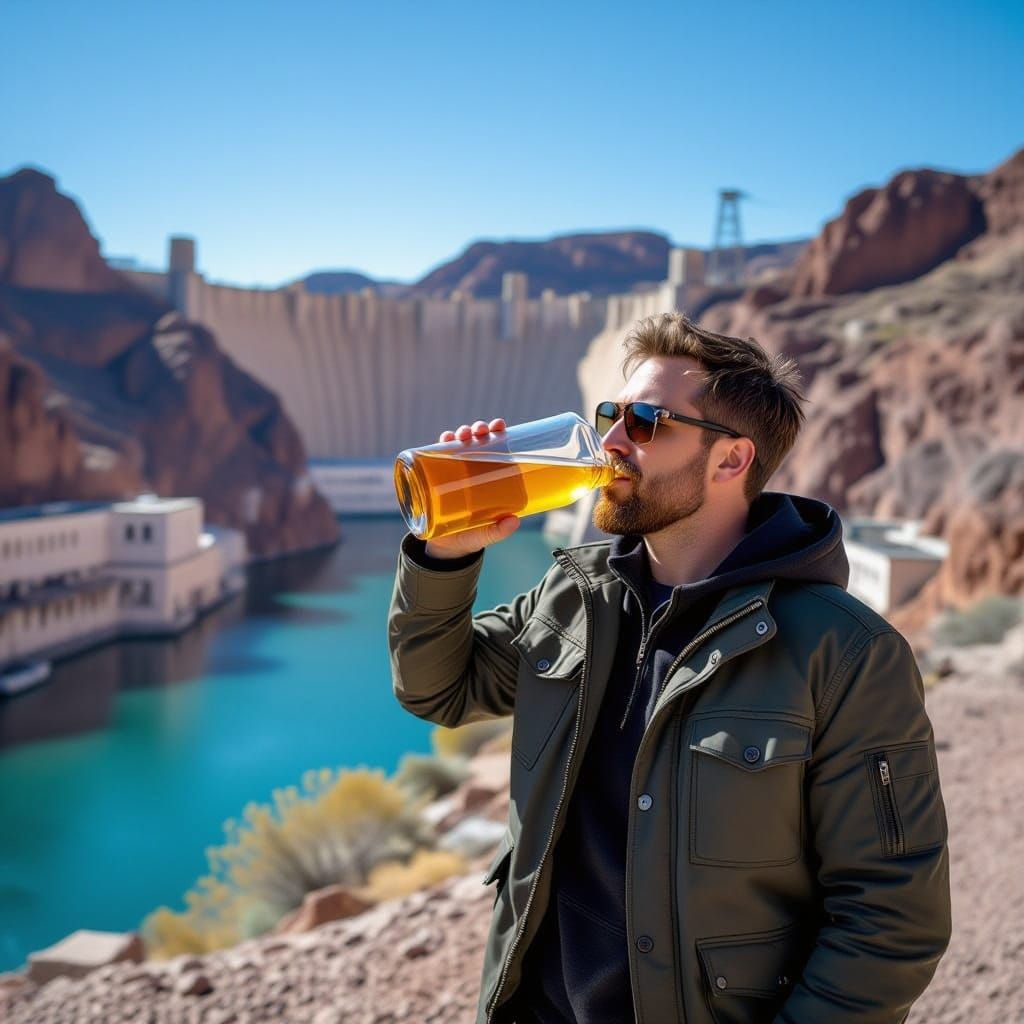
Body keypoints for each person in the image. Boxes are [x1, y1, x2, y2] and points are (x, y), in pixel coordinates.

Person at [387, 312, 951, 1024]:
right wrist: (449, 552)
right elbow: (437, 687)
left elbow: (893, 915)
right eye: (610, 415)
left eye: (647, 422)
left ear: (731, 461)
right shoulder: (574, 595)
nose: (612, 442)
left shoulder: (843, 652)